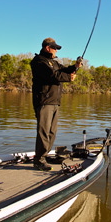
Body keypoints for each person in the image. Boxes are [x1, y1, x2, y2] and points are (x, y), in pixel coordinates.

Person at [30, 37, 82, 171]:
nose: (56, 51)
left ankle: (44, 156)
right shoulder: (39, 62)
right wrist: (69, 78)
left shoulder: (54, 62)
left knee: (52, 132)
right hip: (44, 102)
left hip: (55, 102)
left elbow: (63, 71)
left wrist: (75, 67)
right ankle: (39, 161)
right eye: (55, 48)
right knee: (43, 132)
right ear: (48, 48)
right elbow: (53, 76)